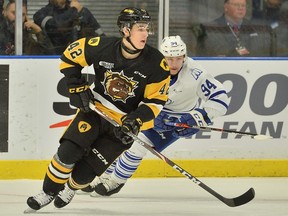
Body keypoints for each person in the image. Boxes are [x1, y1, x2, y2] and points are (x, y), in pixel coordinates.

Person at [25, 7, 170, 212]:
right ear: (125, 30)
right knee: (67, 153)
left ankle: (70, 188)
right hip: (95, 111)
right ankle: (48, 192)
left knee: (85, 174)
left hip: (123, 126)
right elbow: (69, 57)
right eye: (140, 28)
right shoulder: (101, 46)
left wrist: (135, 120)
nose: (145, 33)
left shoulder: (157, 63)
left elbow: (155, 102)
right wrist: (75, 84)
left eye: (146, 28)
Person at [79, 35, 230, 196]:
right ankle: (101, 176)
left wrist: (199, 116)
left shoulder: (196, 74)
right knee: (117, 141)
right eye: (169, 59)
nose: (174, 64)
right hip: (149, 112)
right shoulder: (149, 65)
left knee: (136, 147)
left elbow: (221, 98)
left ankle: (115, 181)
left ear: (184, 57)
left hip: (178, 121)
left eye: (179, 58)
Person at [197, 0, 272, 57]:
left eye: (243, 5)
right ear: (226, 7)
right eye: (236, 5)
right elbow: (212, 51)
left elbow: (260, 51)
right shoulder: (211, 28)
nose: (241, 8)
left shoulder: (254, 27)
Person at [33, 0, 105, 54]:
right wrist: (74, 10)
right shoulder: (40, 14)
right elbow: (56, 25)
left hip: (79, 56)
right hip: (52, 57)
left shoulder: (82, 11)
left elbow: (98, 32)